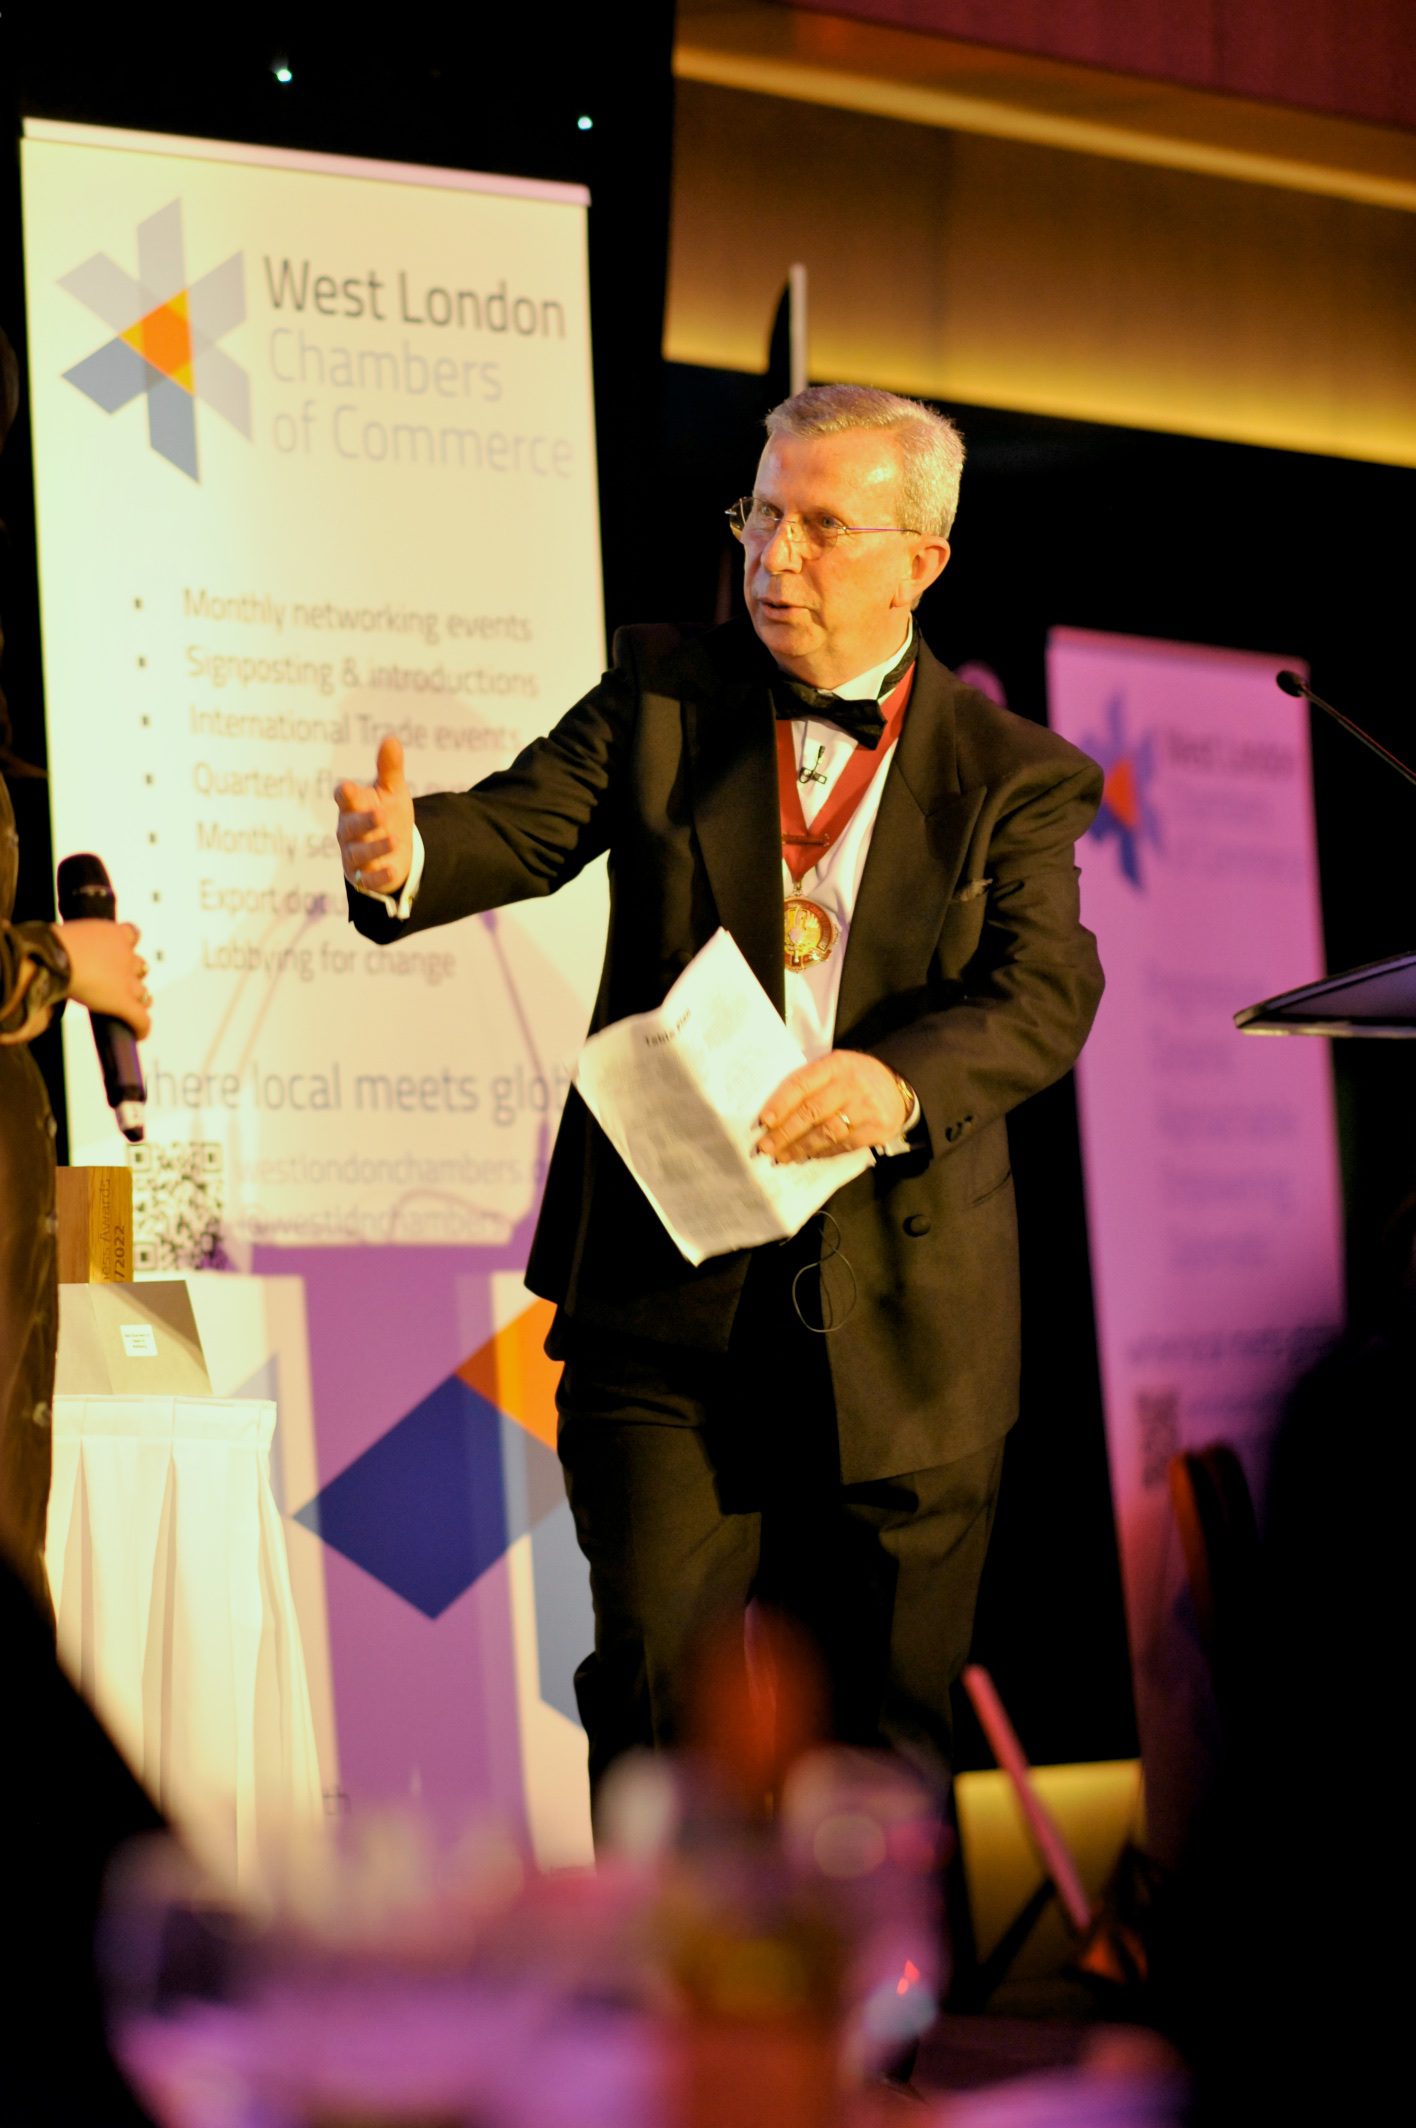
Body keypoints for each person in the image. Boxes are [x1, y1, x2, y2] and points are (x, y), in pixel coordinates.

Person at [335, 385, 1103, 1814]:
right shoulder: (664, 693)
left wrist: (895, 1082)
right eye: (761, 512)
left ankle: (856, 1977)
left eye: (822, 527)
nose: (774, 556)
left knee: (874, 1760)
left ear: (920, 562)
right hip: (663, 1309)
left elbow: (1043, 995)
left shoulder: (1016, 777)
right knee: (652, 1714)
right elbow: (517, 825)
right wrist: (406, 855)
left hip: (907, 1333)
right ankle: (655, 1967)